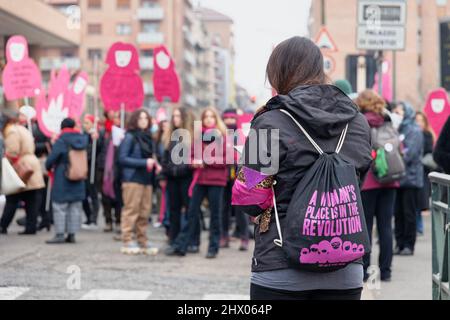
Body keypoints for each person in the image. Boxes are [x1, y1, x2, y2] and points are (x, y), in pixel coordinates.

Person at [232, 37, 372, 300]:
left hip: (280, 262)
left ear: (278, 73)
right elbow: (358, 178)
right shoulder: (358, 123)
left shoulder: (270, 122)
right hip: (345, 264)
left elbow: (248, 197)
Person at [166, 107, 229, 259]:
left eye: (211, 116)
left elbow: (227, 159)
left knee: (215, 215)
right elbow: (191, 156)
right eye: (205, 116)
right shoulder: (198, 137)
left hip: (216, 180)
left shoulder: (223, 137)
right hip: (200, 179)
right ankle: (182, 245)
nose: (208, 119)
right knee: (192, 213)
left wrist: (206, 161)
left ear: (216, 119)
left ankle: (213, 247)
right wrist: (193, 162)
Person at [355, 90, 399, 282]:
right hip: (390, 179)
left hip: (368, 182)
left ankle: (364, 269)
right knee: (385, 227)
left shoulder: (360, 121)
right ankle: (386, 271)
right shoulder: (388, 119)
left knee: (366, 227)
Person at [119, 109, 160, 255]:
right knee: (131, 210)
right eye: (140, 118)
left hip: (147, 179)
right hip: (132, 179)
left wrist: (156, 164)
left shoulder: (149, 137)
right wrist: (144, 162)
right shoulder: (129, 137)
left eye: (146, 118)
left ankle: (143, 240)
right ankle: (127, 240)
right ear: (135, 120)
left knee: (144, 212)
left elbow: (152, 156)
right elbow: (122, 159)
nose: (143, 121)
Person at [0, 109, 45, 235]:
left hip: (21, 166)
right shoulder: (20, 129)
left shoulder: (11, 131)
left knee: (12, 199)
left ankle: (3, 225)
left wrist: (6, 163)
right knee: (31, 200)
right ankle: (31, 226)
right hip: (30, 164)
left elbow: (12, 151)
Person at [45, 118, 88, 244]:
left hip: (62, 175)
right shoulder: (82, 139)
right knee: (75, 206)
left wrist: (48, 166)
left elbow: (52, 159)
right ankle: (71, 234)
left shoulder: (62, 140)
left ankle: (59, 234)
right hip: (79, 175)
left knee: (60, 206)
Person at [392, 102, 424, 256]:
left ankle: (408, 245)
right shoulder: (397, 129)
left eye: (399, 111)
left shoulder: (414, 130)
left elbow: (409, 154)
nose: (396, 114)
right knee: (398, 213)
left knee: (409, 213)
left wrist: (394, 158)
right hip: (397, 177)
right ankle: (399, 243)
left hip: (410, 179)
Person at [159, 108, 194, 245]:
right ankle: (173, 238)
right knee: (173, 210)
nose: (175, 119)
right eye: (174, 116)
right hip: (172, 178)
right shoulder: (169, 135)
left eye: (178, 116)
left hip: (186, 177)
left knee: (189, 210)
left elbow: (192, 158)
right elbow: (165, 158)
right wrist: (163, 174)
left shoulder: (191, 136)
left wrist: (184, 169)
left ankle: (189, 240)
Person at [220, 108, 250, 251]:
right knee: (223, 207)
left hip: (238, 174)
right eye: (226, 119)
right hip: (223, 174)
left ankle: (244, 237)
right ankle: (224, 236)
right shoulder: (219, 135)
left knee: (240, 208)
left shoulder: (241, 135)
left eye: (232, 119)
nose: (229, 121)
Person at [98, 111, 122, 233]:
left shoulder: (122, 132)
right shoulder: (103, 132)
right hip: (104, 169)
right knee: (105, 197)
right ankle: (108, 220)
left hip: (117, 169)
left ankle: (118, 220)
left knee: (118, 196)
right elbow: (98, 149)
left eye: (117, 117)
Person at [415, 111, 435, 235]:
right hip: (416, 171)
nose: (418, 123)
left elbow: (428, 151)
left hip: (423, 171)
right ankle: (417, 226)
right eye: (416, 120)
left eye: (420, 121)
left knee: (419, 201)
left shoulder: (427, 135)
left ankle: (419, 226)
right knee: (415, 201)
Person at [81, 114, 102, 230]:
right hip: (83, 169)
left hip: (93, 169)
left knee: (93, 194)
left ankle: (94, 218)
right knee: (83, 195)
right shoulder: (83, 135)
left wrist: (96, 140)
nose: (85, 125)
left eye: (87, 123)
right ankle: (88, 217)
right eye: (84, 123)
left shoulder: (96, 136)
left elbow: (95, 151)